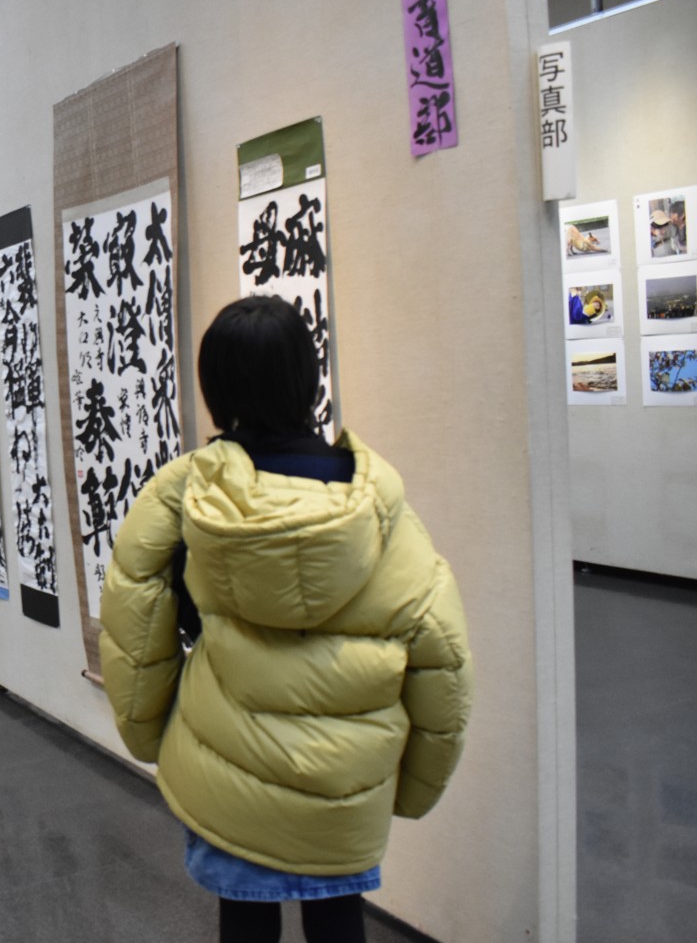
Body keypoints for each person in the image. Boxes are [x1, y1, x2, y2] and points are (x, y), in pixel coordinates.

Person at [99, 295, 473, 943]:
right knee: (339, 922)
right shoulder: (378, 504)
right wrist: (413, 789)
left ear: (215, 389)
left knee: (244, 922)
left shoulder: (186, 492)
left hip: (228, 767)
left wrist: (151, 736)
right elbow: (443, 658)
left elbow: (135, 625)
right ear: (308, 376)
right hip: (345, 787)